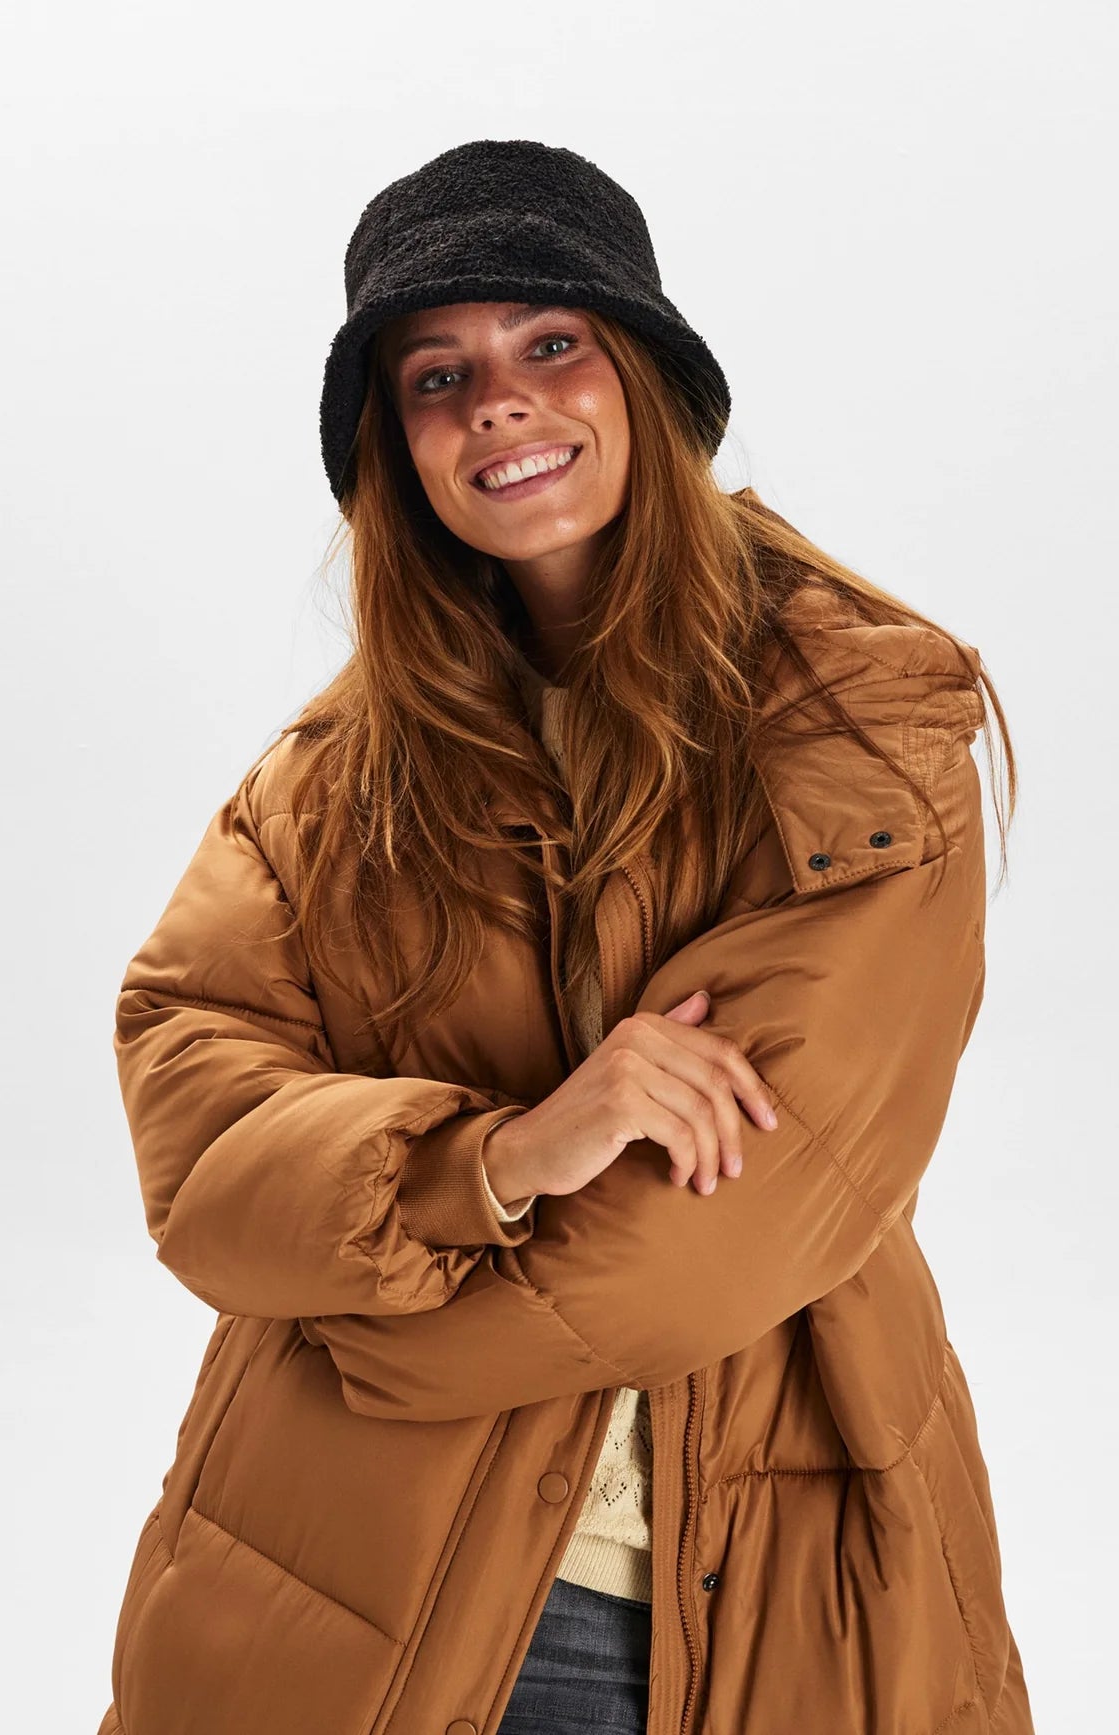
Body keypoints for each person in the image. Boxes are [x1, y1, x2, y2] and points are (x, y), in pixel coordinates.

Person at [95, 139, 1036, 1735]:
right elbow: (199, 1144)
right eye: (437, 376)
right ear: (395, 445)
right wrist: (500, 1158)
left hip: (713, 1585)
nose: (499, 405)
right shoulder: (328, 785)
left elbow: (720, 1228)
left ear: (647, 379)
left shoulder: (861, 719)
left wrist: (372, 1337)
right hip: (338, 1583)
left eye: (551, 343)